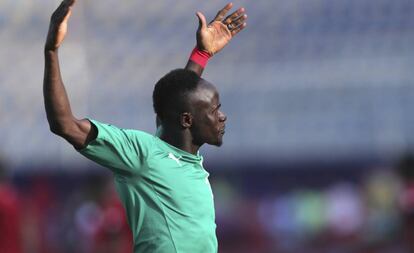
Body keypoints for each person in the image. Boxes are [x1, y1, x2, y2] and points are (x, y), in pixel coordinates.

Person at [43, 0, 247, 252]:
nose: (223, 116)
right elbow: (64, 124)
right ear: (187, 121)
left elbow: (179, 100)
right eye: (215, 110)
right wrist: (51, 51)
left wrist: (201, 55)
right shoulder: (142, 154)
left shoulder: (182, 151)